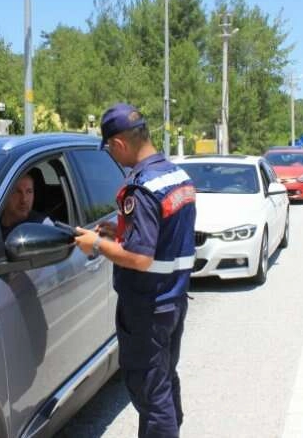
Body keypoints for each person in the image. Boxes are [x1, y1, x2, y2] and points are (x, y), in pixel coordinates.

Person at [74, 103, 196, 438]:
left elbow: (140, 259)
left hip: (147, 307)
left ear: (119, 144)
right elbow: (163, 237)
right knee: (163, 381)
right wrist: (120, 232)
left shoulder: (140, 187)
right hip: (173, 299)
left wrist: (95, 245)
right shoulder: (175, 176)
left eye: (111, 150)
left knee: (150, 394)